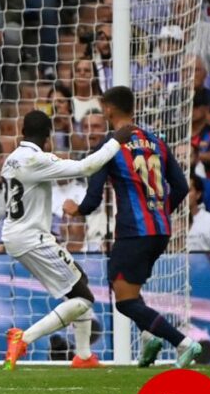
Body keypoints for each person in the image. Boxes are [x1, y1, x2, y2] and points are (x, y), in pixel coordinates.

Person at [64, 86, 200, 368]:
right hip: (160, 230)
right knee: (131, 292)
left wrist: (77, 210)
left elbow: (93, 195)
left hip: (133, 231)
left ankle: (184, 343)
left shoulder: (110, 145)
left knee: (124, 301)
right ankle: (150, 338)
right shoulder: (156, 141)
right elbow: (182, 187)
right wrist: (160, 211)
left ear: (109, 109)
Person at [1, 111, 135, 370]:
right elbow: (87, 167)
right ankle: (23, 338)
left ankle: (83, 356)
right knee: (83, 298)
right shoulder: (36, 159)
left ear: (23, 131)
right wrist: (116, 140)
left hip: (16, 235)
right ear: (48, 138)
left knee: (78, 282)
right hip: (32, 238)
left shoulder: (12, 159)